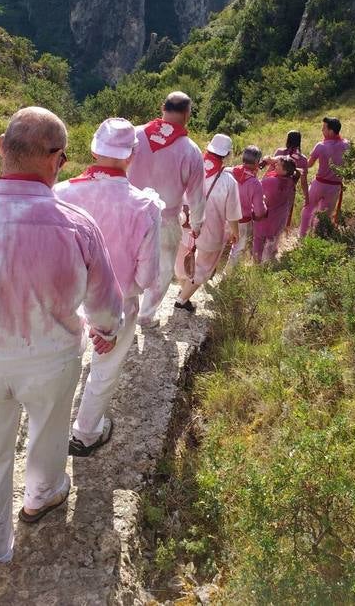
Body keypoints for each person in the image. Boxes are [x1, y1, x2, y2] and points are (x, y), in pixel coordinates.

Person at [0, 107, 123, 563]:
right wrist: (106, 331)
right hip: (52, 358)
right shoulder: (76, 224)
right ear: (58, 159)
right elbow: (105, 305)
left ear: (1, 147)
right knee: (49, 432)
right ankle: (41, 495)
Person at [55, 118, 164, 457]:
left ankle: (51, 431)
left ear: (92, 150)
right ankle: (86, 433)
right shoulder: (144, 205)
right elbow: (148, 277)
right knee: (105, 368)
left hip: (67, 300)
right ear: (132, 154)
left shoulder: (60, 194)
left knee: (63, 363)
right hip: (118, 303)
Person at [128, 92, 206, 326]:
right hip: (166, 219)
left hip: (128, 213)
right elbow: (196, 194)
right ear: (187, 114)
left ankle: (125, 311)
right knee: (162, 270)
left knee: (125, 261)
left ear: (163, 107)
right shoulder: (190, 150)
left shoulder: (133, 134)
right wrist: (197, 224)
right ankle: (146, 314)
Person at [174, 134, 242, 311]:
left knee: (182, 263)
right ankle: (182, 299)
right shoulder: (228, 181)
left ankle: (184, 292)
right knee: (204, 267)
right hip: (211, 231)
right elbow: (232, 213)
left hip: (185, 224)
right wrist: (235, 232)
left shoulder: (190, 168)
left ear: (208, 149)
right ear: (226, 155)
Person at [300, 117, 350, 235]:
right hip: (334, 187)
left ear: (331, 131)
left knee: (308, 208)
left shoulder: (320, 146)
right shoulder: (347, 145)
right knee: (325, 215)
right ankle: (318, 237)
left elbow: (309, 164)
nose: (322, 131)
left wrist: (297, 164)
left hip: (319, 184)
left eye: (324, 129)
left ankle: (302, 236)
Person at [253, 155, 300, 263]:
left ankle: (256, 262)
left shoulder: (271, 181)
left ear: (284, 170)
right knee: (271, 240)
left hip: (266, 217)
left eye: (278, 165)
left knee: (258, 240)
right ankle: (266, 262)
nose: (275, 165)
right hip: (280, 217)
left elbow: (258, 188)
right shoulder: (291, 181)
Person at [226, 145, 267, 265]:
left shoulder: (228, 171)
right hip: (242, 221)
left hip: (223, 217)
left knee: (217, 246)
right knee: (237, 249)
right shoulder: (255, 183)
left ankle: (207, 271)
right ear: (257, 162)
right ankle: (226, 278)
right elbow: (259, 211)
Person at [274, 130, 309, 224]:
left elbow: (271, 171)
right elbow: (304, 182)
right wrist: (307, 197)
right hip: (289, 192)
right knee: (284, 218)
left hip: (273, 187)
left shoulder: (279, 152)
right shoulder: (303, 159)